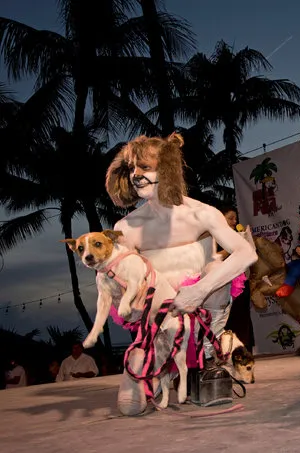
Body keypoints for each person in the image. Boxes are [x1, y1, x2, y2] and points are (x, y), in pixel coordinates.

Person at [105, 133, 258, 415]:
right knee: (130, 407)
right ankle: (158, 364)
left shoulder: (202, 213)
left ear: (166, 170)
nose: (136, 176)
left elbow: (247, 254)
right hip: (160, 324)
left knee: (216, 268)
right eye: (132, 169)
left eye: (145, 167)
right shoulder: (126, 227)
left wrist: (198, 291)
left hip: (203, 313)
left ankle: (213, 352)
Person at [218, 205, 256, 351]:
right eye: (230, 218)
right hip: (224, 283)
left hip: (241, 281)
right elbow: (215, 258)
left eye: (235, 218)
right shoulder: (215, 237)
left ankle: (245, 349)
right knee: (227, 318)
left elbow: (251, 257)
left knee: (243, 316)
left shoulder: (239, 234)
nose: (234, 221)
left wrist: (247, 242)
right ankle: (228, 349)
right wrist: (233, 248)